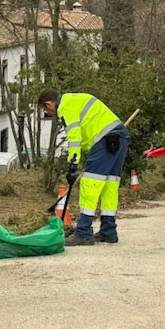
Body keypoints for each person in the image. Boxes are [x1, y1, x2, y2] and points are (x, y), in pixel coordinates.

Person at [38, 88, 130, 246]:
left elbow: (74, 137)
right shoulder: (75, 99)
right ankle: (108, 231)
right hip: (119, 136)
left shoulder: (66, 106)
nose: (49, 113)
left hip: (105, 139)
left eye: (46, 110)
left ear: (49, 104)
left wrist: (73, 164)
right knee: (110, 185)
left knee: (89, 183)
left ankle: (83, 232)